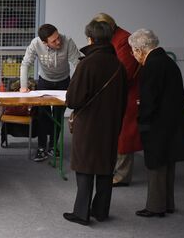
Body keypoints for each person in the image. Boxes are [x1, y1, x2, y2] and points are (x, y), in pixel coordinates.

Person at [128, 29, 184, 217]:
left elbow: (149, 100)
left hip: (158, 124)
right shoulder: (167, 61)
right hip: (172, 122)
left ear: (140, 49)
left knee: (156, 165)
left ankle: (155, 207)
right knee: (168, 165)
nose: (133, 55)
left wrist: (142, 122)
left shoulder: (151, 66)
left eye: (133, 50)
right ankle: (167, 204)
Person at [63, 20, 127, 226]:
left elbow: (73, 100)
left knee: (85, 167)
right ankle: (101, 211)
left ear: (90, 38)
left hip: (88, 124)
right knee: (105, 167)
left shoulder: (87, 64)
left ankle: (81, 213)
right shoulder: (118, 65)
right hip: (111, 124)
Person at [93, 13, 143, 187]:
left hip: (126, 94)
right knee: (116, 133)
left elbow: (124, 73)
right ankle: (114, 168)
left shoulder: (124, 40)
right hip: (115, 93)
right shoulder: (114, 37)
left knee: (124, 135)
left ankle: (122, 175)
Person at [19, 24, 81, 162]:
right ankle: (41, 147)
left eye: (58, 37)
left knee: (58, 115)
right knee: (42, 114)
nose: (58, 41)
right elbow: (25, 64)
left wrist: (75, 86)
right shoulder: (36, 44)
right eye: (53, 41)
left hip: (63, 81)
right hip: (45, 81)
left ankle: (53, 145)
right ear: (44, 42)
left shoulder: (68, 41)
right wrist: (23, 86)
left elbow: (78, 64)